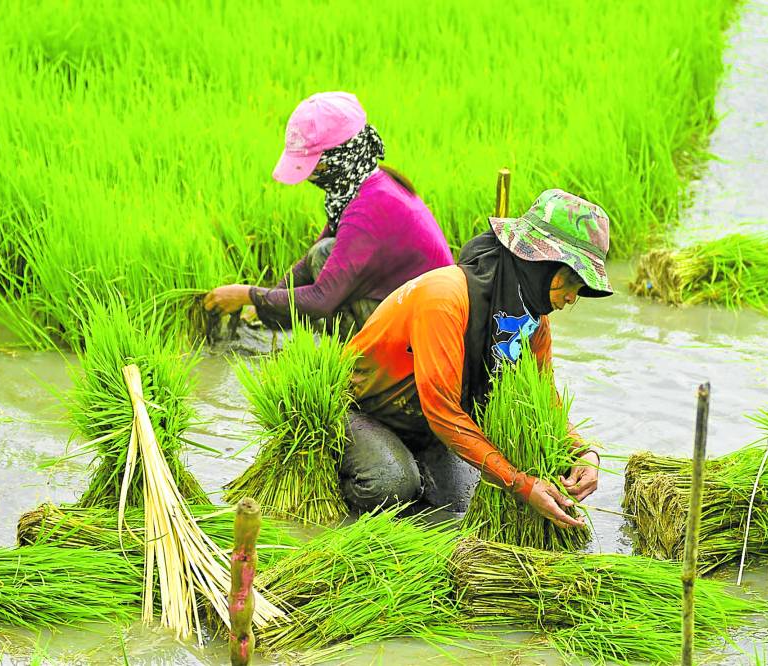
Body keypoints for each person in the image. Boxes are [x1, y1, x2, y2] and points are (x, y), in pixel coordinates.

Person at [340, 189, 610, 524]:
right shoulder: (446, 298)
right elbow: (442, 410)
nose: (571, 298)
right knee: (393, 486)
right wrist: (521, 484)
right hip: (363, 412)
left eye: (580, 290)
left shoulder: (533, 324)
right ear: (538, 265)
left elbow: (545, 401)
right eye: (569, 281)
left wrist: (584, 451)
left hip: (425, 430)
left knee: (461, 506)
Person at [203, 91, 453, 334]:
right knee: (323, 252)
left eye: (314, 165)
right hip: (410, 308)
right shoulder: (362, 185)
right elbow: (312, 257)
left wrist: (248, 295)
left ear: (338, 158)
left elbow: (322, 298)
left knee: (326, 275)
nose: (310, 176)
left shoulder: (370, 208)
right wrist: (264, 305)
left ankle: (356, 362)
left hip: (426, 331)